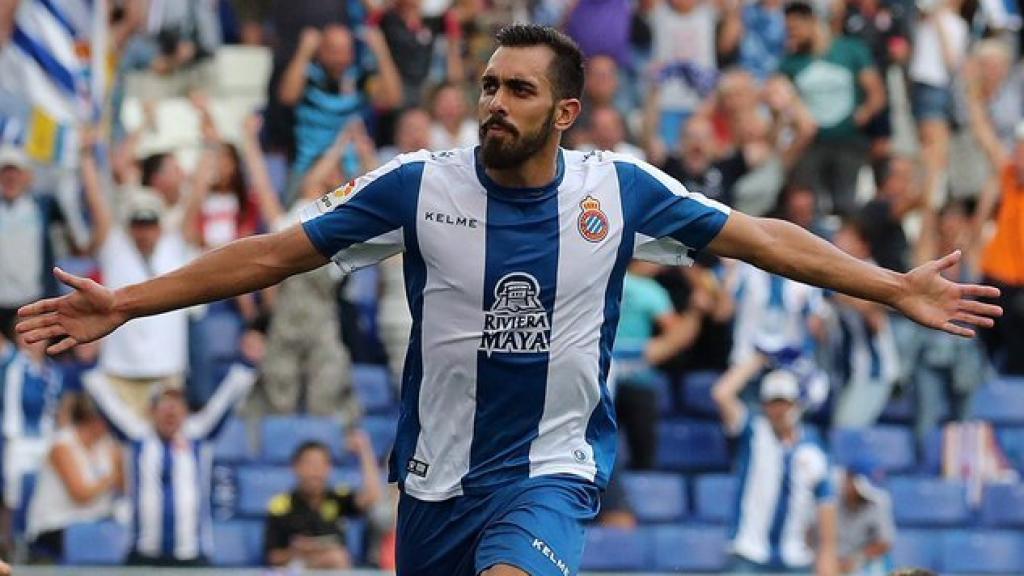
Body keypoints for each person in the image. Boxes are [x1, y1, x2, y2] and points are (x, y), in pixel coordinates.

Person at [16, 24, 1002, 576]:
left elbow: (763, 239)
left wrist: (889, 285)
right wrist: (131, 303)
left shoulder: (618, 189)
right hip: (432, 482)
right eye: (488, 84)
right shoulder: (417, 185)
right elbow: (274, 255)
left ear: (563, 111)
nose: (495, 101)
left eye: (519, 90)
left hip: (549, 471)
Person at [82, 365, 255, 566]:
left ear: (186, 411)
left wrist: (246, 364)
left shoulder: (199, 436)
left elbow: (226, 399)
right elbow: (105, 401)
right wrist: (89, 365)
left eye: (177, 404)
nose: (171, 410)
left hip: (192, 555)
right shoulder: (136, 437)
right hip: (143, 555)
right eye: (164, 404)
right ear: (152, 411)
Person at [712, 361, 838, 574]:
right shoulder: (752, 432)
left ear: (797, 405)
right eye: (773, 403)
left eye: (785, 403)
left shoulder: (814, 450)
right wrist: (758, 357)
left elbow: (826, 512)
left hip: (795, 559)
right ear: (764, 406)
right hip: (749, 552)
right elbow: (721, 393)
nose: (779, 410)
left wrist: (826, 561)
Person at [25, 395, 121, 562]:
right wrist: (110, 478)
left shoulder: (107, 445)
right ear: (97, 420)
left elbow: (123, 487)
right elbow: (80, 495)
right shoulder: (62, 445)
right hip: (57, 525)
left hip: (97, 523)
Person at [264, 434, 382, 569]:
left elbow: (372, 497)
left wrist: (364, 450)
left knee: (339, 557)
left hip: (335, 567)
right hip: (297, 568)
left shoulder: (337, 498)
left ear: (329, 468)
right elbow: (272, 556)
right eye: (309, 464)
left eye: (321, 464)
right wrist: (298, 552)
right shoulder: (281, 506)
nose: (315, 471)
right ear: (296, 467)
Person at [837, 459, 895, 576]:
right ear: (849, 479)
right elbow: (810, 536)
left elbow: (885, 542)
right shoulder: (829, 497)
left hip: (863, 565)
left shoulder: (880, 500)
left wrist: (856, 560)